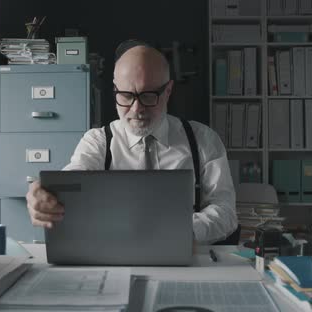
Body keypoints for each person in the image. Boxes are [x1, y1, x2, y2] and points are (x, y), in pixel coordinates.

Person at [26, 40, 237, 244]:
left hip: (189, 256)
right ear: (115, 89)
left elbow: (225, 212)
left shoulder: (203, 140)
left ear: (168, 91)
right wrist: (46, 192)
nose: (137, 109)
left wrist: (177, 232)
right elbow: (74, 176)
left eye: (148, 96)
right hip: (114, 259)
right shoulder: (97, 141)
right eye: (126, 95)